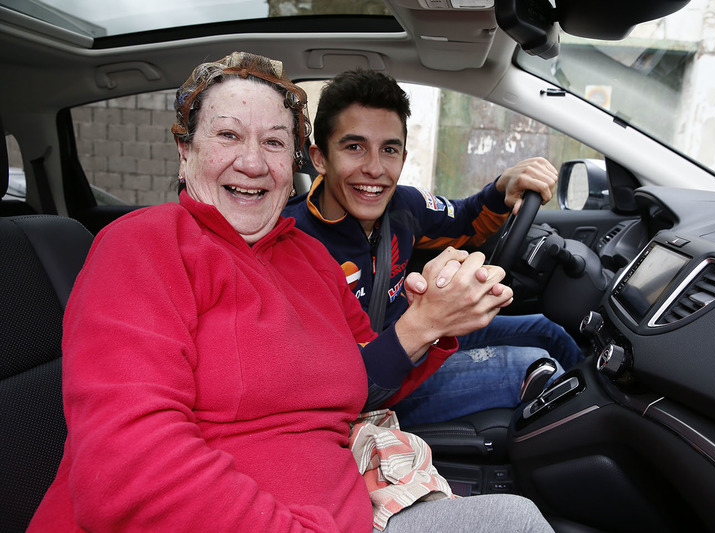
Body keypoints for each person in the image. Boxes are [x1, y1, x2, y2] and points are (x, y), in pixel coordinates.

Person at [27, 52, 553, 533]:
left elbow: (366, 381)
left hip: (348, 510)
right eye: (228, 136)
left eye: (274, 142)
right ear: (184, 151)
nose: (253, 163)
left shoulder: (306, 257)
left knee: (517, 518)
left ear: (293, 164)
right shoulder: (144, 244)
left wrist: (431, 317)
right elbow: (128, 472)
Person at [283, 68, 584, 426]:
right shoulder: (291, 241)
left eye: (389, 149)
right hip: (375, 388)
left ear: (404, 158)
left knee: (548, 330)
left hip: (419, 340)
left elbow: (467, 220)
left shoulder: (404, 207)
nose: (375, 168)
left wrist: (504, 186)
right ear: (319, 158)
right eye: (354, 147)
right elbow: (328, 381)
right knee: (535, 367)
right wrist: (428, 320)